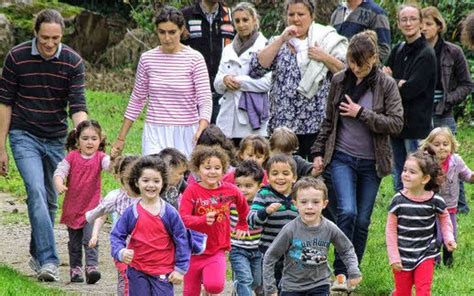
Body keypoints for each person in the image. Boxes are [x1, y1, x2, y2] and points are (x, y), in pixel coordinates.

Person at [311, 31, 403, 292]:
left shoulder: (386, 85)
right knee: (347, 212)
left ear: (374, 59)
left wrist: (362, 113)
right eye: (351, 62)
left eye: (360, 64)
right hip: (341, 157)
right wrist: (318, 152)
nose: (355, 68)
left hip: (372, 163)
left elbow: (396, 123)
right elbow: (328, 120)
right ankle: (340, 273)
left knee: (362, 220)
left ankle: (353, 271)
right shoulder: (339, 80)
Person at [0, 8, 87, 281]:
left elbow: (78, 106)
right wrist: (0, 146)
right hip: (23, 134)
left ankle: (37, 253)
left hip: (56, 137)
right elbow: (5, 104)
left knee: (50, 200)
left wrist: (85, 137)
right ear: (35, 33)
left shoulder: (73, 62)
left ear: (62, 35)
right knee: (36, 190)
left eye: (56, 38)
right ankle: (49, 261)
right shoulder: (16, 57)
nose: (50, 44)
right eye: (45, 37)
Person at [250, 0, 348, 160]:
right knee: (283, 173)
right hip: (283, 127)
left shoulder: (325, 40)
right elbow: (256, 68)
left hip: (315, 125)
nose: (296, 19)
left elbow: (345, 74)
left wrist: (323, 56)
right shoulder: (278, 41)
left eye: (301, 14)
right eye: (291, 14)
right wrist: (281, 39)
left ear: (312, 16)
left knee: (314, 176)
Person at [111, 6, 212, 159]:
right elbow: (137, 98)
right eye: (162, 32)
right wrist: (121, 138)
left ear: (181, 29)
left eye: (172, 32)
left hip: (186, 131)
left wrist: (201, 128)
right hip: (155, 129)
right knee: (153, 177)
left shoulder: (195, 58)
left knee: (182, 179)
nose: (167, 38)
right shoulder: (147, 59)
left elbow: (204, 99)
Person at [110, 156, 195, 296]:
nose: (151, 185)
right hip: (137, 270)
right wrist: (120, 252)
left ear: (163, 183)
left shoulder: (169, 213)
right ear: (137, 182)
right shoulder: (132, 212)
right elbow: (116, 235)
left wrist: (180, 269)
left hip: (163, 271)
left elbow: (182, 240)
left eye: (156, 181)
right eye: (145, 180)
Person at [263, 177, 362, 295]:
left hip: (320, 284)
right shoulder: (289, 230)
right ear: (295, 204)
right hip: (292, 286)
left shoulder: (330, 228)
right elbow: (270, 256)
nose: (309, 206)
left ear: (324, 204)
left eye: (315, 202)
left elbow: (346, 249)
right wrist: (270, 288)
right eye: (304, 202)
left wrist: (353, 271)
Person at [421, 6, 472, 214]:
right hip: (421, 114)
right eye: (421, 24)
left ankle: (459, 205)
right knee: (426, 157)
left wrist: (448, 99)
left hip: (444, 112)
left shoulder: (453, 51)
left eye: (429, 24)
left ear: (439, 26)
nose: (424, 28)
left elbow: (467, 84)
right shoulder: (413, 51)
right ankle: (430, 200)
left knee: (450, 158)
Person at [179, 145, 249, 296]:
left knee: (215, 287)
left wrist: (242, 224)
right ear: (198, 169)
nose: (212, 172)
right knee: (190, 292)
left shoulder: (230, 190)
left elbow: (243, 205)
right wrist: (202, 220)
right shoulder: (192, 191)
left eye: (217, 168)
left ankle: (207, 286)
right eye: (207, 167)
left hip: (216, 249)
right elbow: (183, 219)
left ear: (223, 170)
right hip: (193, 250)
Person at [386, 149, 456, 295]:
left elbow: (444, 217)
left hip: (426, 253)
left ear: (425, 179)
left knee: (423, 291)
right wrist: (394, 257)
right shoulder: (398, 201)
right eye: (405, 170)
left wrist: (448, 237)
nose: (405, 174)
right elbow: (390, 231)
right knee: (402, 292)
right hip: (403, 255)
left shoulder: (435, 200)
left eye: (412, 172)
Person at [383, 3, 437, 192]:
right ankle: (400, 207)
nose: (408, 23)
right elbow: (383, 80)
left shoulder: (426, 53)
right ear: (397, 23)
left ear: (421, 23)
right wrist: (398, 82)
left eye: (413, 19)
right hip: (397, 123)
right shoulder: (398, 49)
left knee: (417, 171)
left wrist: (393, 81)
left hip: (416, 126)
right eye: (404, 19)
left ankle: (419, 207)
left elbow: (412, 90)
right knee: (399, 172)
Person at [53, 120, 109, 284]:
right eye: (85, 138)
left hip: (92, 207)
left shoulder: (101, 157)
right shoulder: (72, 157)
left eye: (93, 138)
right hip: (73, 207)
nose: (89, 142)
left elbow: (109, 165)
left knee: (90, 237)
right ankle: (75, 269)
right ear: (77, 140)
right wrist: (59, 183)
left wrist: (115, 163)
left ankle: (91, 267)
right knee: (75, 242)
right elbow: (60, 171)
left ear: (100, 140)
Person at [214, 2, 271, 144]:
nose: (241, 24)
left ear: (254, 20)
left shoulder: (266, 46)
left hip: (253, 118)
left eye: (245, 20)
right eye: (237, 21)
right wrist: (224, 80)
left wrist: (238, 82)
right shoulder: (228, 49)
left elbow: (267, 83)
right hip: (228, 117)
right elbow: (217, 84)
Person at [86, 155, 139, 296]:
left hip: (142, 249)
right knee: (125, 277)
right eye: (129, 179)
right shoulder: (115, 197)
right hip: (121, 247)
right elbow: (99, 214)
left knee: (139, 280)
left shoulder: (147, 197)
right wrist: (95, 234)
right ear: (119, 176)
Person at [420, 127, 474, 267]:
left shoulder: (456, 161)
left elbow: (467, 175)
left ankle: (448, 261)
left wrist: (472, 176)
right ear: (429, 146)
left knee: (451, 236)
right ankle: (434, 261)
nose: (442, 148)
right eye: (436, 145)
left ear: (452, 145)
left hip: (450, 207)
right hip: (431, 207)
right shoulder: (426, 161)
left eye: (445, 144)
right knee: (436, 238)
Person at [247, 154, 299, 289]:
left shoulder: (299, 196)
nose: (280, 177)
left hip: (294, 253)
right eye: (275, 173)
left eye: (285, 173)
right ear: (268, 178)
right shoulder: (264, 194)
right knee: (270, 287)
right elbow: (251, 220)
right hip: (269, 252)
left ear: (294, 177)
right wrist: (266, 211)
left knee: (291, 287)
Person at [182, 0, 235, 124]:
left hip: (224, 91)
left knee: (221, 139)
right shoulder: (185, 16)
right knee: (194, 139)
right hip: (192, 93)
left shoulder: (232, 16)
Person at [230, 160, 265, 296]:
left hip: (257, 249)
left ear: (259, 187)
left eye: (248, 186)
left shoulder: (262, 204)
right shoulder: (231, 203)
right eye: (238, 185)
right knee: (245, 279)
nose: (242, 190)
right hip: (237, 249)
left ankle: (237, 289)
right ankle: (240, 289)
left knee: (256, 282)